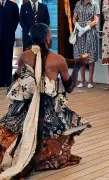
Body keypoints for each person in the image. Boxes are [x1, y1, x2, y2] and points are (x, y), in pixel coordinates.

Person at [0, 23, 91, 179]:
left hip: (25, 105)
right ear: (47, 38)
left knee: (10, 123)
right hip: (48, 108)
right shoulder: (58, 59)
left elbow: (16, 79)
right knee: (69, 119)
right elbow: (69, 88)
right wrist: (78, 66)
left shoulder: (24, 56)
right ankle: (48, 158)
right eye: (49, 35)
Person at [73, 0, 100, 88]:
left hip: (90, 31)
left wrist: (86, 28)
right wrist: (79, 27)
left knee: (90, 54)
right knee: (81, 55)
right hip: (79, 31)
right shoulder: (78, 3)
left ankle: (90, 80)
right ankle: (82, 80)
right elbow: (74, 18)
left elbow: (96, 20)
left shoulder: (95, 4)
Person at [0, 0, 19, 87]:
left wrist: (11, 31)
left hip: (8, 36)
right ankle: (0, 80)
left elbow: (16, 20)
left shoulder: (13, 5)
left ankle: (8, 80)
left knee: (8, 57)